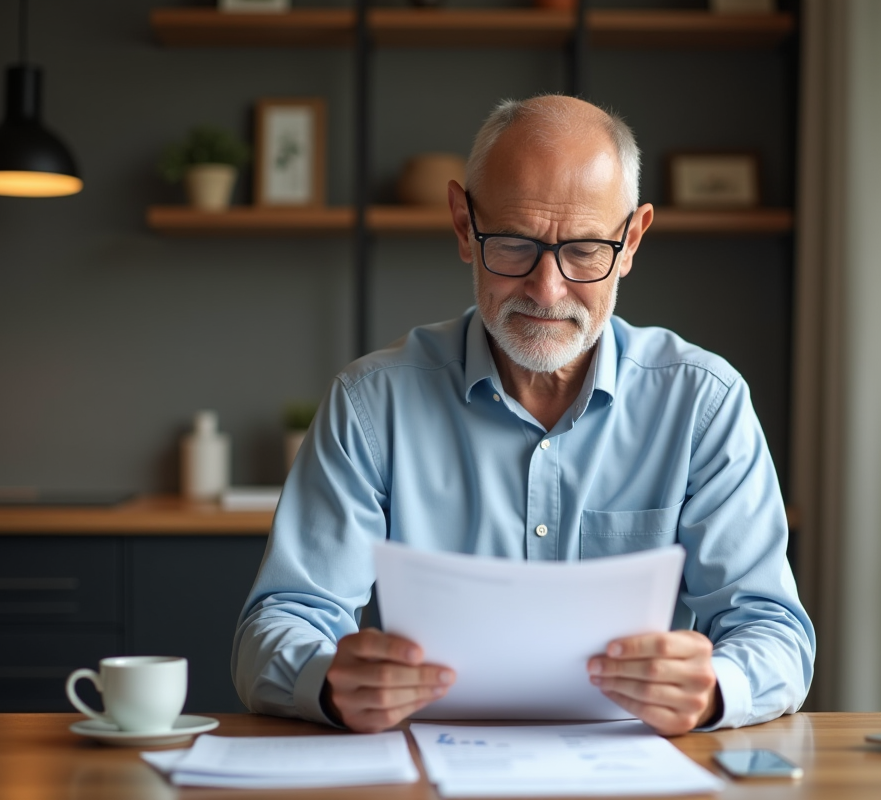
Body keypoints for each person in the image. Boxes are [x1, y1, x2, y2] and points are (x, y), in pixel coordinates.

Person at [232, 95, 815, 736]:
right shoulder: (372, 402)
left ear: (631, 241)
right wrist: (328, 681)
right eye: (514, 244)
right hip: (423, 763)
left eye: (585, 250)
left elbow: (773, 631)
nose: (547, 289)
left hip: (634, 761)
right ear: (464, 226)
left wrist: (713, 690)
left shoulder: (703, 402)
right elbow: (277, 624)